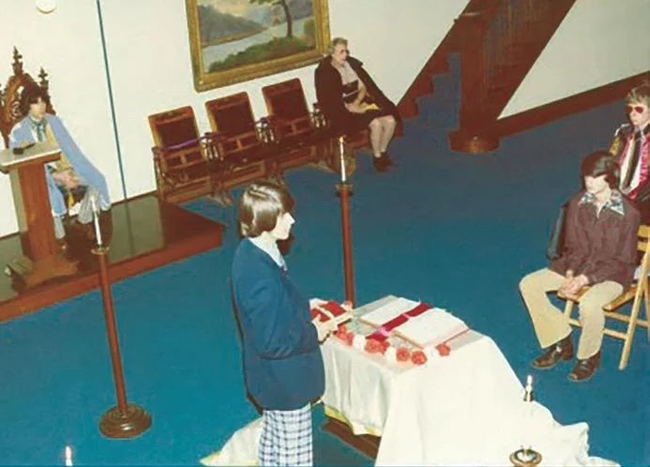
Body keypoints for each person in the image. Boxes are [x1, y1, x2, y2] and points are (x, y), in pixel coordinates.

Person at [230, 181, 337, 466]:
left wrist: (304, 306)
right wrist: (315, 331)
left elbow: (271, 310)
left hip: (270, 379)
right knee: (295, 455)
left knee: (274, 440)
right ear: (264, 222)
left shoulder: (252, 251)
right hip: (286, 382)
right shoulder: (260, 277)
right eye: (283, 215)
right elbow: (273, 342)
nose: (292, 219)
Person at [519, 151, 640, 382]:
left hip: (614, 274)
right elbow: (572, 247)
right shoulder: (577, 203)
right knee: (529, 284)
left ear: (610, 178)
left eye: (596, 177)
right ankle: (560, 340)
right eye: (586, 177)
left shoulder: (629, 214)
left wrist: (584, 280)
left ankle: (588, 356)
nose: (589, 182)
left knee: (589, 302)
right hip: (579, 265)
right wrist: (571, 276)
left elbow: (622, 261)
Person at [8, 84, 111, 246]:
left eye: (43, 101)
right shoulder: (18, 131)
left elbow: (71, 150)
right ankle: (59, 237)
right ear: (27, 105)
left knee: (96, 179)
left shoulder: (54, 121)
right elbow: (25, 165)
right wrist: (58, 177)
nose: (41, 106)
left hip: (64, 169)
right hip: (41, 177)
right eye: (36, 102)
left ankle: (83, 220)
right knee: (49, 193)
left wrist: (69, 172)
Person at [315, 37, 399, 172]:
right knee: (376, 123)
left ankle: (383, 152)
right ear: (332, 53)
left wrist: (358, 103)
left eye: (346, 51)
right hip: (342, 110)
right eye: (341, 52)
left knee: (391, 120)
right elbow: (331, 100)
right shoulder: (325, 72)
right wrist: (352, 108)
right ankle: (377, 158)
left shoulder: (351, 65)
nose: (345, 55)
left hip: (359, 102)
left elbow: (363, 86)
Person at [608, 83, 650, 222]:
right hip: (618, 191)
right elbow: (610, 162)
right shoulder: (622, 133)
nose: (632, 113)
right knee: (574, 207)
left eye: (639, 109)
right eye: (630, 108)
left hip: (644, 197)